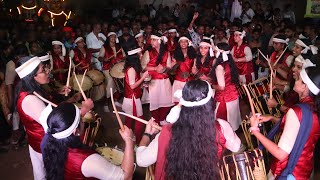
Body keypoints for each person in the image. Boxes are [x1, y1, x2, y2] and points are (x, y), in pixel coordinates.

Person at [136, 80, 241, 179]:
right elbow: (236, 147)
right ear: (210, 104)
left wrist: (147, 134)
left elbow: (141, 160)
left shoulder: (167, 133)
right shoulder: (222, 127)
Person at [15, 56, 93, 180]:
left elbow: (47, 105)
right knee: (47, 174)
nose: (47, 71)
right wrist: (84, 110)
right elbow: (58, 125)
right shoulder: (30, 99)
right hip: (44, 143)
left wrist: (58, 92)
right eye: (43, 70)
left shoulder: (32, 89)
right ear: (32, 76)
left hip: (38, 140)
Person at [250, 66, 320, 179]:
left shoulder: (297, 111)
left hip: (287, 170)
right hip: (304, 169)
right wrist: (272, 118)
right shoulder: (313, 108)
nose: (295, 80)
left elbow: (281, 154)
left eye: (298, 79)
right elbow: (299, 128)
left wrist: (255, 130)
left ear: (304, 87)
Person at [41, 103, 134, 180]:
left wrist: (84, 109)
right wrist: (129, 140)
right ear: (75, 131)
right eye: (81, 120)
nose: (83, 121)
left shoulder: (49, 139)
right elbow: (125, 176)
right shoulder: (87, 161)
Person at [143, 33, 173, 124]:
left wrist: (164, 69)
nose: (151, 41)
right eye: (151, 40)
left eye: (154, 40)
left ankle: (162, 119)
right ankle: (155, 120)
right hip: (153, 80)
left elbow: (169, 67)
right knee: (155, 102)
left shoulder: (167, 53)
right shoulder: (148, 52)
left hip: (164, 80)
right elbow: (143, 67)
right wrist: (155, 68)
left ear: (159, 41)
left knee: (167, 101)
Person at [211, 43, 241, 131]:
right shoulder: (230, 63)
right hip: (233, 95)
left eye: (215, 50)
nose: (214, 51)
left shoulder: (220, 67)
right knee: (232, 123)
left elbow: (221, 87)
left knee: (223, 125)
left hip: (224, 99)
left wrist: (211, 85)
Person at [122, 47, 149, 143]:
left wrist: (142, 83)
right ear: (135, 57)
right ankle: (137, 141)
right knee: (139, 121)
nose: (141, 56)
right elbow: (132, 86)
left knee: (129, 121)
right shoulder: (131, 69)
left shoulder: (132, 68)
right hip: (132, 98)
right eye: (140, 54)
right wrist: (143, 78)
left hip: (132, 97)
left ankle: (129, 140)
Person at [171, 37, 196, 103]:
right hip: (178, 80)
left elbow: (195, 69)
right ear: (179, 43)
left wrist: (191, 73)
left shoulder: (193, 54)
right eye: (181, 41)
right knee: (178, 102)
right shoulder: (175, 54)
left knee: (189, 102)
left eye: (185, 41)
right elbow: (172, 71)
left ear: (188, 43)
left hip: (190, 81)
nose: (183, 43)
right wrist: (174, 64)